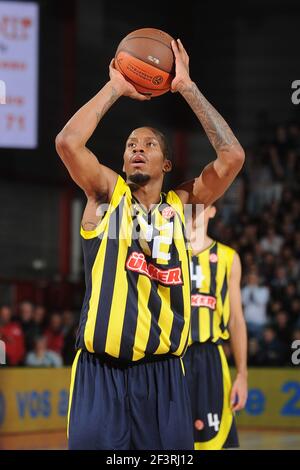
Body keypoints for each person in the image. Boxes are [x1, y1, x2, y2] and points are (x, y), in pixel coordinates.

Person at [56, 39, 245, 450]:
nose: (138, 149)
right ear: (123, 162)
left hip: (163, 377)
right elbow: (68, 143)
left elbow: (231, 157)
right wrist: (115, 88)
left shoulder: (183, 205)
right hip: (99, 373)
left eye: (149, 145)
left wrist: (187, 87)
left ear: (167, 164)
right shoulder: (106, 196)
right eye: (130, 146)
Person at [183, 205, 248, 449]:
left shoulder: (228, 258)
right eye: (188, 205)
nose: (193, 211)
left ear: (211, 211)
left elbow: (236, 320)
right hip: (171, 358)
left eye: (200, 205)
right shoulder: (163, 253)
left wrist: (242, 374)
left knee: (217, 441)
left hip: (210, 358)